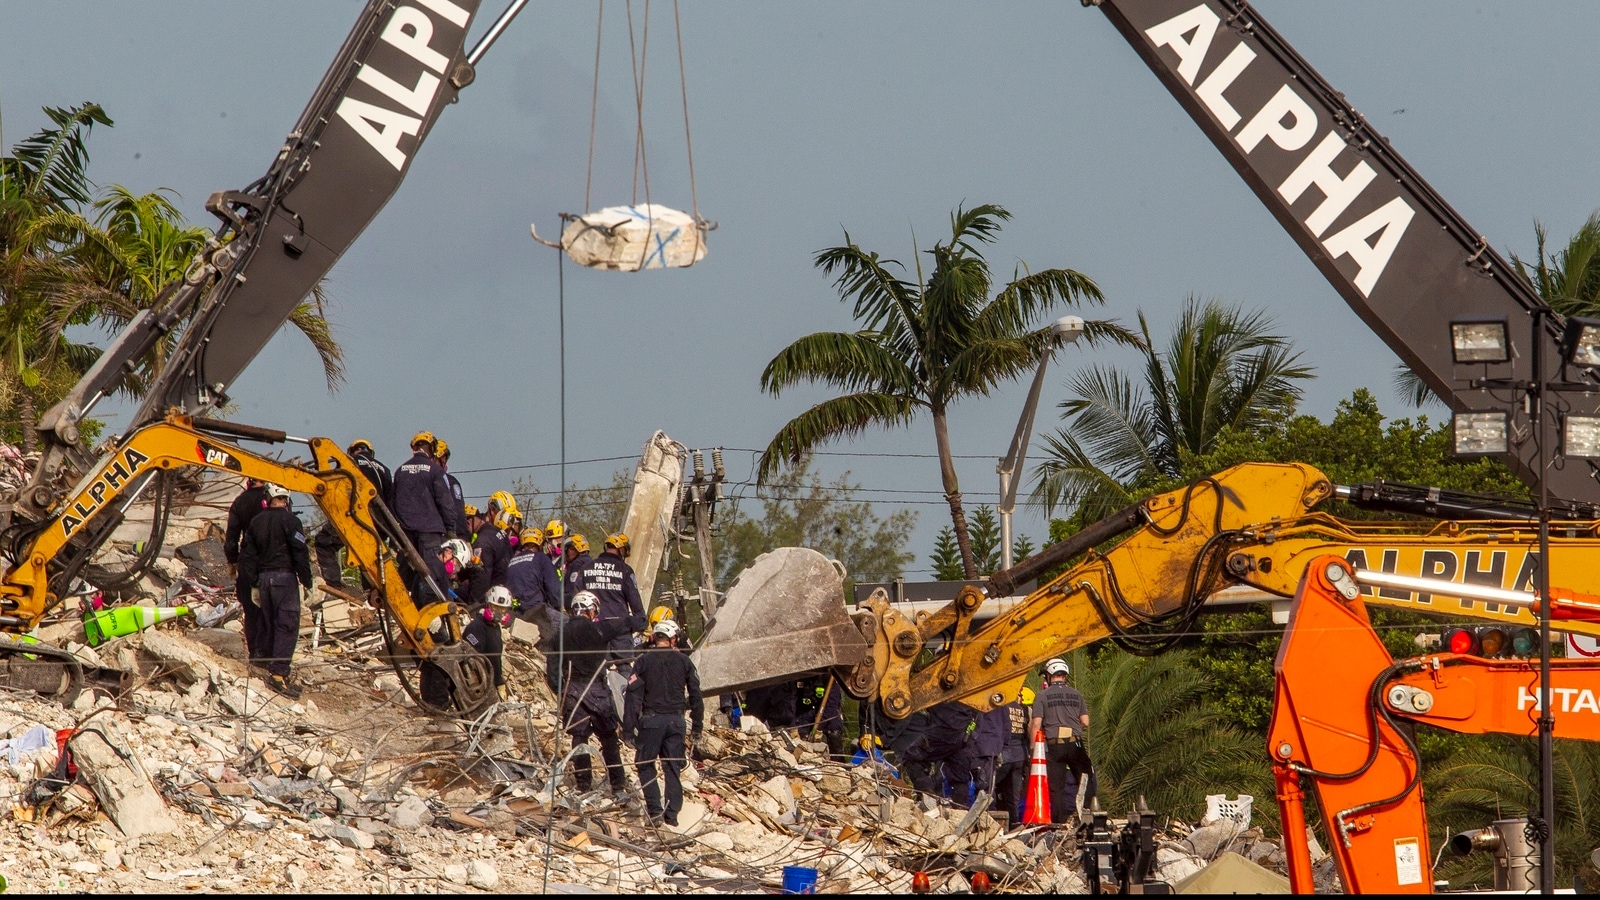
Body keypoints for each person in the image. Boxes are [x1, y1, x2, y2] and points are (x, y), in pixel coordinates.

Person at [623, 618, 704, 826]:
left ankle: (655, 811)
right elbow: (696, 695)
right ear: (673, 639)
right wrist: (697, 726)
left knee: (644, 764)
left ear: (654, 638)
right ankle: (672, 815)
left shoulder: (643, 661)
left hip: (651, 721)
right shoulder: (685, 661)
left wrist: (628, 729)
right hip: (676, 722)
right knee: (673, 768)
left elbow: (633, 696)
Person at [237, 483, 313, 699]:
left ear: (268, 497)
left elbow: (247, 557)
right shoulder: (291, 521)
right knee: (286, 625)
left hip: (263, 580)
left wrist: (252, 583)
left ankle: (264, 661)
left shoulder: (256, 521)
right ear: (286, 499)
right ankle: (278, 674)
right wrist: (307, 581)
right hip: (284, 579)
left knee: (267, 621)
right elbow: (300, 553)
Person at [558, 591, 631, 794]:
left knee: (579, 739)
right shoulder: (600, 630)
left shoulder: (560, 634)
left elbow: (552, 670)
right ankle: (618, 785)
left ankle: (584, 785)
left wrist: (560, 691)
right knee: (608, 738)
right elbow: (627, 624)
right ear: (591, 610)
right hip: (597, 689)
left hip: (572, 691)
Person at [391, 431, 456, 598]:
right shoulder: (435, 471)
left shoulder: (400, 471)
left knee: (407, 575)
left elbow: (392, 504)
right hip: (430, 534)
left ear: (414, 448)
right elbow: (445, 502)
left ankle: (402, 606)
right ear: (432, 448)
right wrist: (450, 529)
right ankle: (433, 615)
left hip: (406, 535)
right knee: (433, 577)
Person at [1030, 658, 1094, 823]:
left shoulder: (1042, 695)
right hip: (1076, 743)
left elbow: (1036, 723)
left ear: (1050, 675)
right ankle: (1087, 818)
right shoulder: (1077, 694)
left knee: (1056, 789)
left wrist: (1032, 749)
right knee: (1086, 780)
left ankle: (1059, 823)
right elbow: (1085, 721)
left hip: (1054, 746)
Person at [576, 533, 646, 663]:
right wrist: (640, 621)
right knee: (624, 669)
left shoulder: (586, 568)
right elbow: (635, 603)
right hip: (620, 631)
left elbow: (576, 599)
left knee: (595, 670)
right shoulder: (625, 570)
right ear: (622, 549)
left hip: (594, 630)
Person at [224, 478, 270, 661]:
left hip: (247, 561)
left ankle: (255, 653)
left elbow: (231, 537)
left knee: (251, 611)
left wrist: (233, 561)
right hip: (270, 562)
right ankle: (268, 653)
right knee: (270, 609)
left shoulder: (240, 501)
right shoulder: (271, 501)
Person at [903, 700, 979, 807]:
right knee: (959, 778)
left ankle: (929, 800)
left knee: (912, 757)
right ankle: (959, 812)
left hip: (944, 728)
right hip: (965, 733)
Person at [507, 526, 562, 638]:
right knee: (569, 623)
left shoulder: (511, 561)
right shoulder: (541, 558)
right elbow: (554, 589)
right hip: (536, 611)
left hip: (515, 613)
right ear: (540, 544)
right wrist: (559, 607)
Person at [993, 687, 1035, 826]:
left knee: (989, 789)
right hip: (1020, 757)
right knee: (1013, 797)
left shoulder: (1000, 707)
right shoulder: (1025, 709)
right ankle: (1013, 825)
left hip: (1003, 754)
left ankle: (992, 824)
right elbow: (1030, 733)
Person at [464, 585, 514, 701]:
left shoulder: (494, 627)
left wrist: (499, 681)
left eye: (503, 609)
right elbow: (474, 660)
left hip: (491, 683)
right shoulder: (476, 628)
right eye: (496, 607)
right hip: (480, 686)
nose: (499, 612)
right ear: (487, 604)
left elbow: (494, 659)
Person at [796, 675, 845, 759]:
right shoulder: (800, 678)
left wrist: (819, 727)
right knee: (802, 734)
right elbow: (795, 704)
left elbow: (831, 707)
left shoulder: (830, 680)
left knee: (834, 732)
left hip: (826, 717)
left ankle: (837, 761)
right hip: (805, 716)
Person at [435, 439, 471, 539]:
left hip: (447, 536)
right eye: (442, 458)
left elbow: (458, 512)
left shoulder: (450, 482)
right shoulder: (451, 481)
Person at [346, 439, 393, 508]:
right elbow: (389, 497)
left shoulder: (349, 461)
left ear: (351, 452)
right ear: (371, 453)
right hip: (379, 511)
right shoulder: (385, 469)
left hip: (358, 508)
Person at [563, 533, 593, 598]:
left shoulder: (577, 564)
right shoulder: (591, 562)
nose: (565, 553)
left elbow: (571, 589)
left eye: (566, 549)